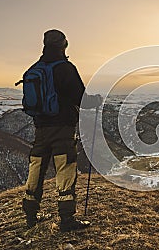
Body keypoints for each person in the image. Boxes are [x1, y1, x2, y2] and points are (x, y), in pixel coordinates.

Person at [22, 29, 102, 232]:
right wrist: (96, 101)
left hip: (40, 128)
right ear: (64, 45)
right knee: (65, 169)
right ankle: (66, 219)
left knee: (36, 169)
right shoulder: (65, 68)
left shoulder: (35, 68)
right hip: (62, 127)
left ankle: (31, 215)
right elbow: (80, 98)